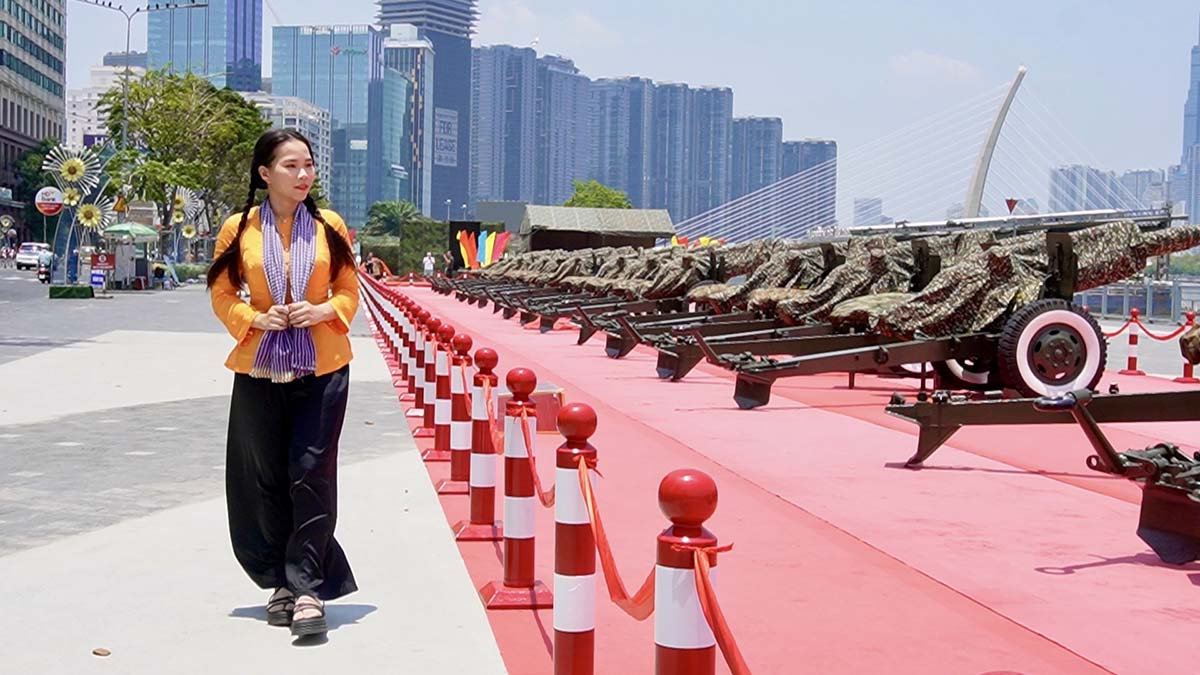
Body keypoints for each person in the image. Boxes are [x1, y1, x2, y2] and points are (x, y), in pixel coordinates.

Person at [206, 129, 360, 638]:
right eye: (291, 166)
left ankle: (310, 588)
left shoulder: (329, 226)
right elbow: (222, 291)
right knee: (266, 476)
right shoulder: (238, 228)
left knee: (311, 473)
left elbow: (348, 290)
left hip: (323, 365)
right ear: (265, 173)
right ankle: (281, 584)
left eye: (309, 165)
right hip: (259, 367)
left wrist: (324, 310)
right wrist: (252, 318)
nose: (303, 175)